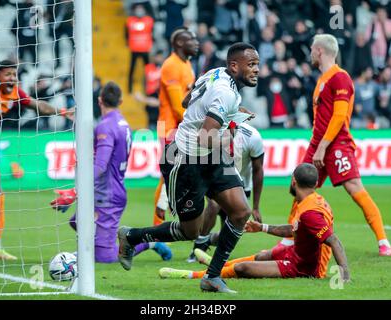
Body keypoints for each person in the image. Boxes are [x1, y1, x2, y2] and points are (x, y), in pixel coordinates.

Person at [118, 42, 260, 294]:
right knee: (189, 231)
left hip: (210, 158)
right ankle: (131, 236)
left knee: (240, 212)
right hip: (184, 160)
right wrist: (229, 130)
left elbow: (186, 101)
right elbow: (204, 137)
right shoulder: (224, 92)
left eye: (257, 64)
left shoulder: (215, 73)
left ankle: (212, 277)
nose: (257, 70)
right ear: (234, 65)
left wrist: (232, 113)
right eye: (251, 65)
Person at [278, 34, 391, 256]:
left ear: (320, 51)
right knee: (299, 188)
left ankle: (383, 241)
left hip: (336, 144)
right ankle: (289, 239)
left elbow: (340, 116)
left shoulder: (339, 77)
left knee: (355, 189)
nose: (310, 53)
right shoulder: (321, 79)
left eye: (312, 49)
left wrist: (323, 146)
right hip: (317, 143)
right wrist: (317, 145)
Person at [159, 163, 350, 283]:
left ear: (293, 181)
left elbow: (334, 241)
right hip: (297, 254)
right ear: (315, 184)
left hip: (304, 267)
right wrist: (262, 228)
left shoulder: (309, 212)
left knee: (243, 269)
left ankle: (193, 275)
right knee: (261, 256)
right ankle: (216, 264)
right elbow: (295, 230)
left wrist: (344, 277)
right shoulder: (314, 200)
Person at [50, 82, 172, 263]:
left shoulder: (106, 126)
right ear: (121, 101)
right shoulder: (123, 123)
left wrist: (75, 192)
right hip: (105, 189)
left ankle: (149, 242)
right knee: (77, 223)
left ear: (99, 101)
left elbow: (100, 165)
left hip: (108, 194)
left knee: (105, 257)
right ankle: (99, 244)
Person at [0, 60, 58, 262]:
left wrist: (61, 112)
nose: (12, 78)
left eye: (14, 74)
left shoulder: (16, 92)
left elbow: (37, 106)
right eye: (8, 74)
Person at [187, 122, 264, 262]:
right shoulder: (214, 131)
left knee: (228, 231)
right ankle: (199, 246)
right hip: (216, 180)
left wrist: (256, 207)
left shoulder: (252, 136)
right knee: (213, 205)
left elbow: (258, 169)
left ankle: (208, 241)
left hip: (241, 185)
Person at [153, 27, 198, 226]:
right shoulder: (171, 65)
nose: (196, 42)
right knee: (168, 174)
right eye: (191, 39)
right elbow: (177, 105)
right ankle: (157, 229)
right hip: (169, 126)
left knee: (179, 174)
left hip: (182, 126)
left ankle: (166, 227)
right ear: (180, 43)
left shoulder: (186, 64)